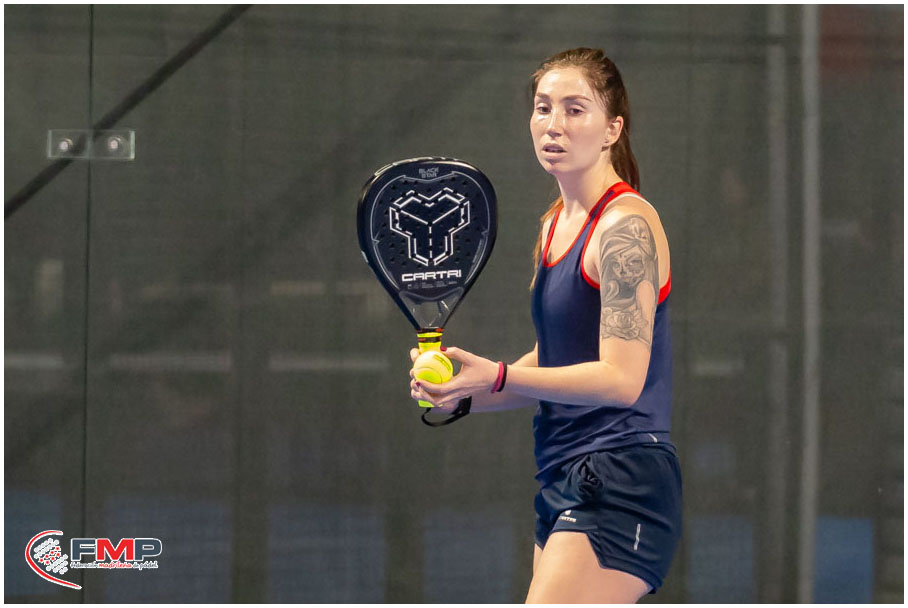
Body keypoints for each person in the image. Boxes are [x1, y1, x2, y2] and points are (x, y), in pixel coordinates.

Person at [409, 47, 681, 603]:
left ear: (612, 129)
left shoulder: (626, 228)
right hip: (562, 471)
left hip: (623, 474)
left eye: (575, 109)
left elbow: (621, 379)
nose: (553, 124)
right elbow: (555, 362)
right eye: (542, 107)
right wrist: (464, 393)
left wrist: (499, 375)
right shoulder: (555, 223)